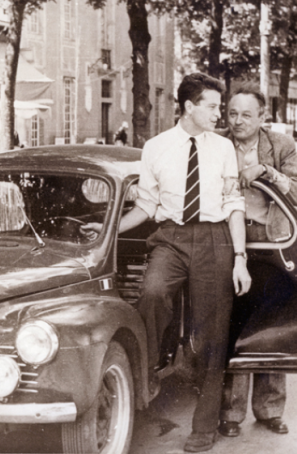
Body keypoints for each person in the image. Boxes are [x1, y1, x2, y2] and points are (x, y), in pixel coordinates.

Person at [82, 73, 251, 453]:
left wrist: (239, 258)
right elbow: (146, 206)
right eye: (211, 106)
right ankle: (150, 371)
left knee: (213, 331)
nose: (217, 113)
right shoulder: (155, 147)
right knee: (152, 292)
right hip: (171, 237)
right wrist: (109, 229)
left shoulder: (223, 148)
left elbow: (234, 204)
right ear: (189, 107)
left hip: (214, 239)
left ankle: (203, 427)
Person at [218, 82, 297, 439]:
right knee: (235, 324)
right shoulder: (218, 144)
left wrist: (266, 172)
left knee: (272, 323)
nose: (237, 121)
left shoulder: (281, 146)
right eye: (232, 113)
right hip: (231, 241)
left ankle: (270, 410)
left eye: (246, 114)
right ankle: (230, 412)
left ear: (262, 117)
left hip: (272, 242)